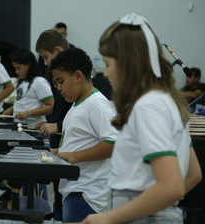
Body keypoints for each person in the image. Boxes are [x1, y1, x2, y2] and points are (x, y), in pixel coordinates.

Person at [82, 13, 202, 224]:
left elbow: (172, 186)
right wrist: (163, 205)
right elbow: (193, 175)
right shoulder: (166, 101)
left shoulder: (148, 106)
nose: (107, 74)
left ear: (127, 63)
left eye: (108, 64)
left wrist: (109, 217)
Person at [48, 47, 118, 223]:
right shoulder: (78, 104)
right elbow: (80, 142)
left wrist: (74, 156)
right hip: (75, 191)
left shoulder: (97, 105)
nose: (58, 88)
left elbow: (114, 143)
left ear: (78, 76)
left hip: (86, 195)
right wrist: (57, 155)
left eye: (61, 81)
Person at [34, 29, 73, 221]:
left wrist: (57, 126)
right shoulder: (63, 77)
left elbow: (78, 115)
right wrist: (51, 123)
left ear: (57, 50)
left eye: (46, 57)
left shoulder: (72, 77)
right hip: (60, 149)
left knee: (65, 202)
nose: (46, 63)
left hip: (70, 154)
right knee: (60, 198)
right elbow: (63, 111)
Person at [2, 48, 54, 128]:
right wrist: (12, 109)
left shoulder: (39, 82)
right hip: (19, 127)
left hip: (32, 129)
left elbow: (51, 107)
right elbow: (26, 102)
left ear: (29, 64)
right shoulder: (22, 82)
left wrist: (29, 113)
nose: (16, 72)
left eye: (19, 68)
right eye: (15, 68)